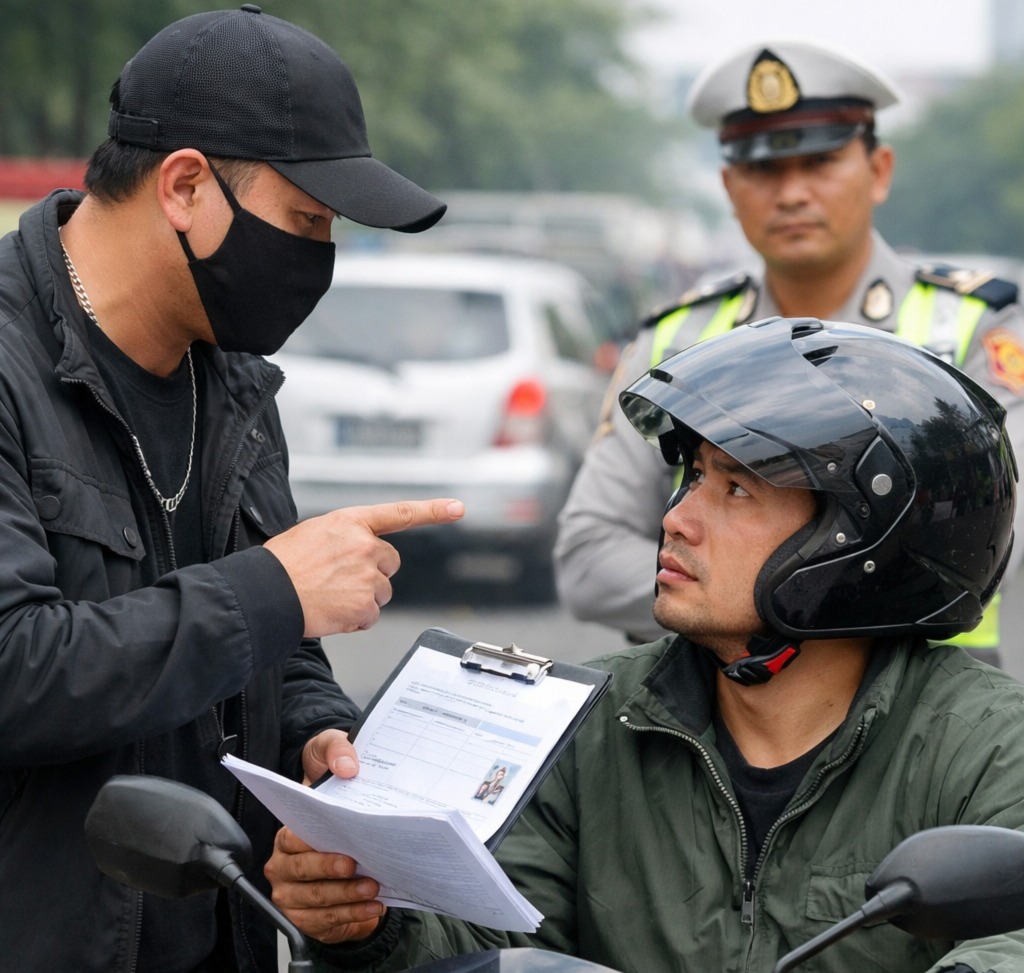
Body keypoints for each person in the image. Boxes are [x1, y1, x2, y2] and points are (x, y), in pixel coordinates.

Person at [263, 316, 1024, 973]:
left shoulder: (991, 745)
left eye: (736, 490)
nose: (676, 520)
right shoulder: (589, 722)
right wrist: (367, 923)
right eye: (692, 478)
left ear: (861, 540)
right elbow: (497, 938)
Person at [0, 7, 464, 972]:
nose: (319, 258)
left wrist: (321, 737)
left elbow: (273, 654)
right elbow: (16, 669)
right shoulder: (11, 364)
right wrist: (272, 588)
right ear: (184, 186)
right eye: (306, 221)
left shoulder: (234, 380)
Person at [553, 39, 1024, 668]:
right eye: (764, 170)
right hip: (706, 712)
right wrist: (767, 602)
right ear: (729, 186)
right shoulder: (679, 336)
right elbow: (587, 558)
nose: (792, 193)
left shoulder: (969, 328)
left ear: (880, 169)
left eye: (821, 162)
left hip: (927, 711)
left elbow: (996, 538)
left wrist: (745, 595)